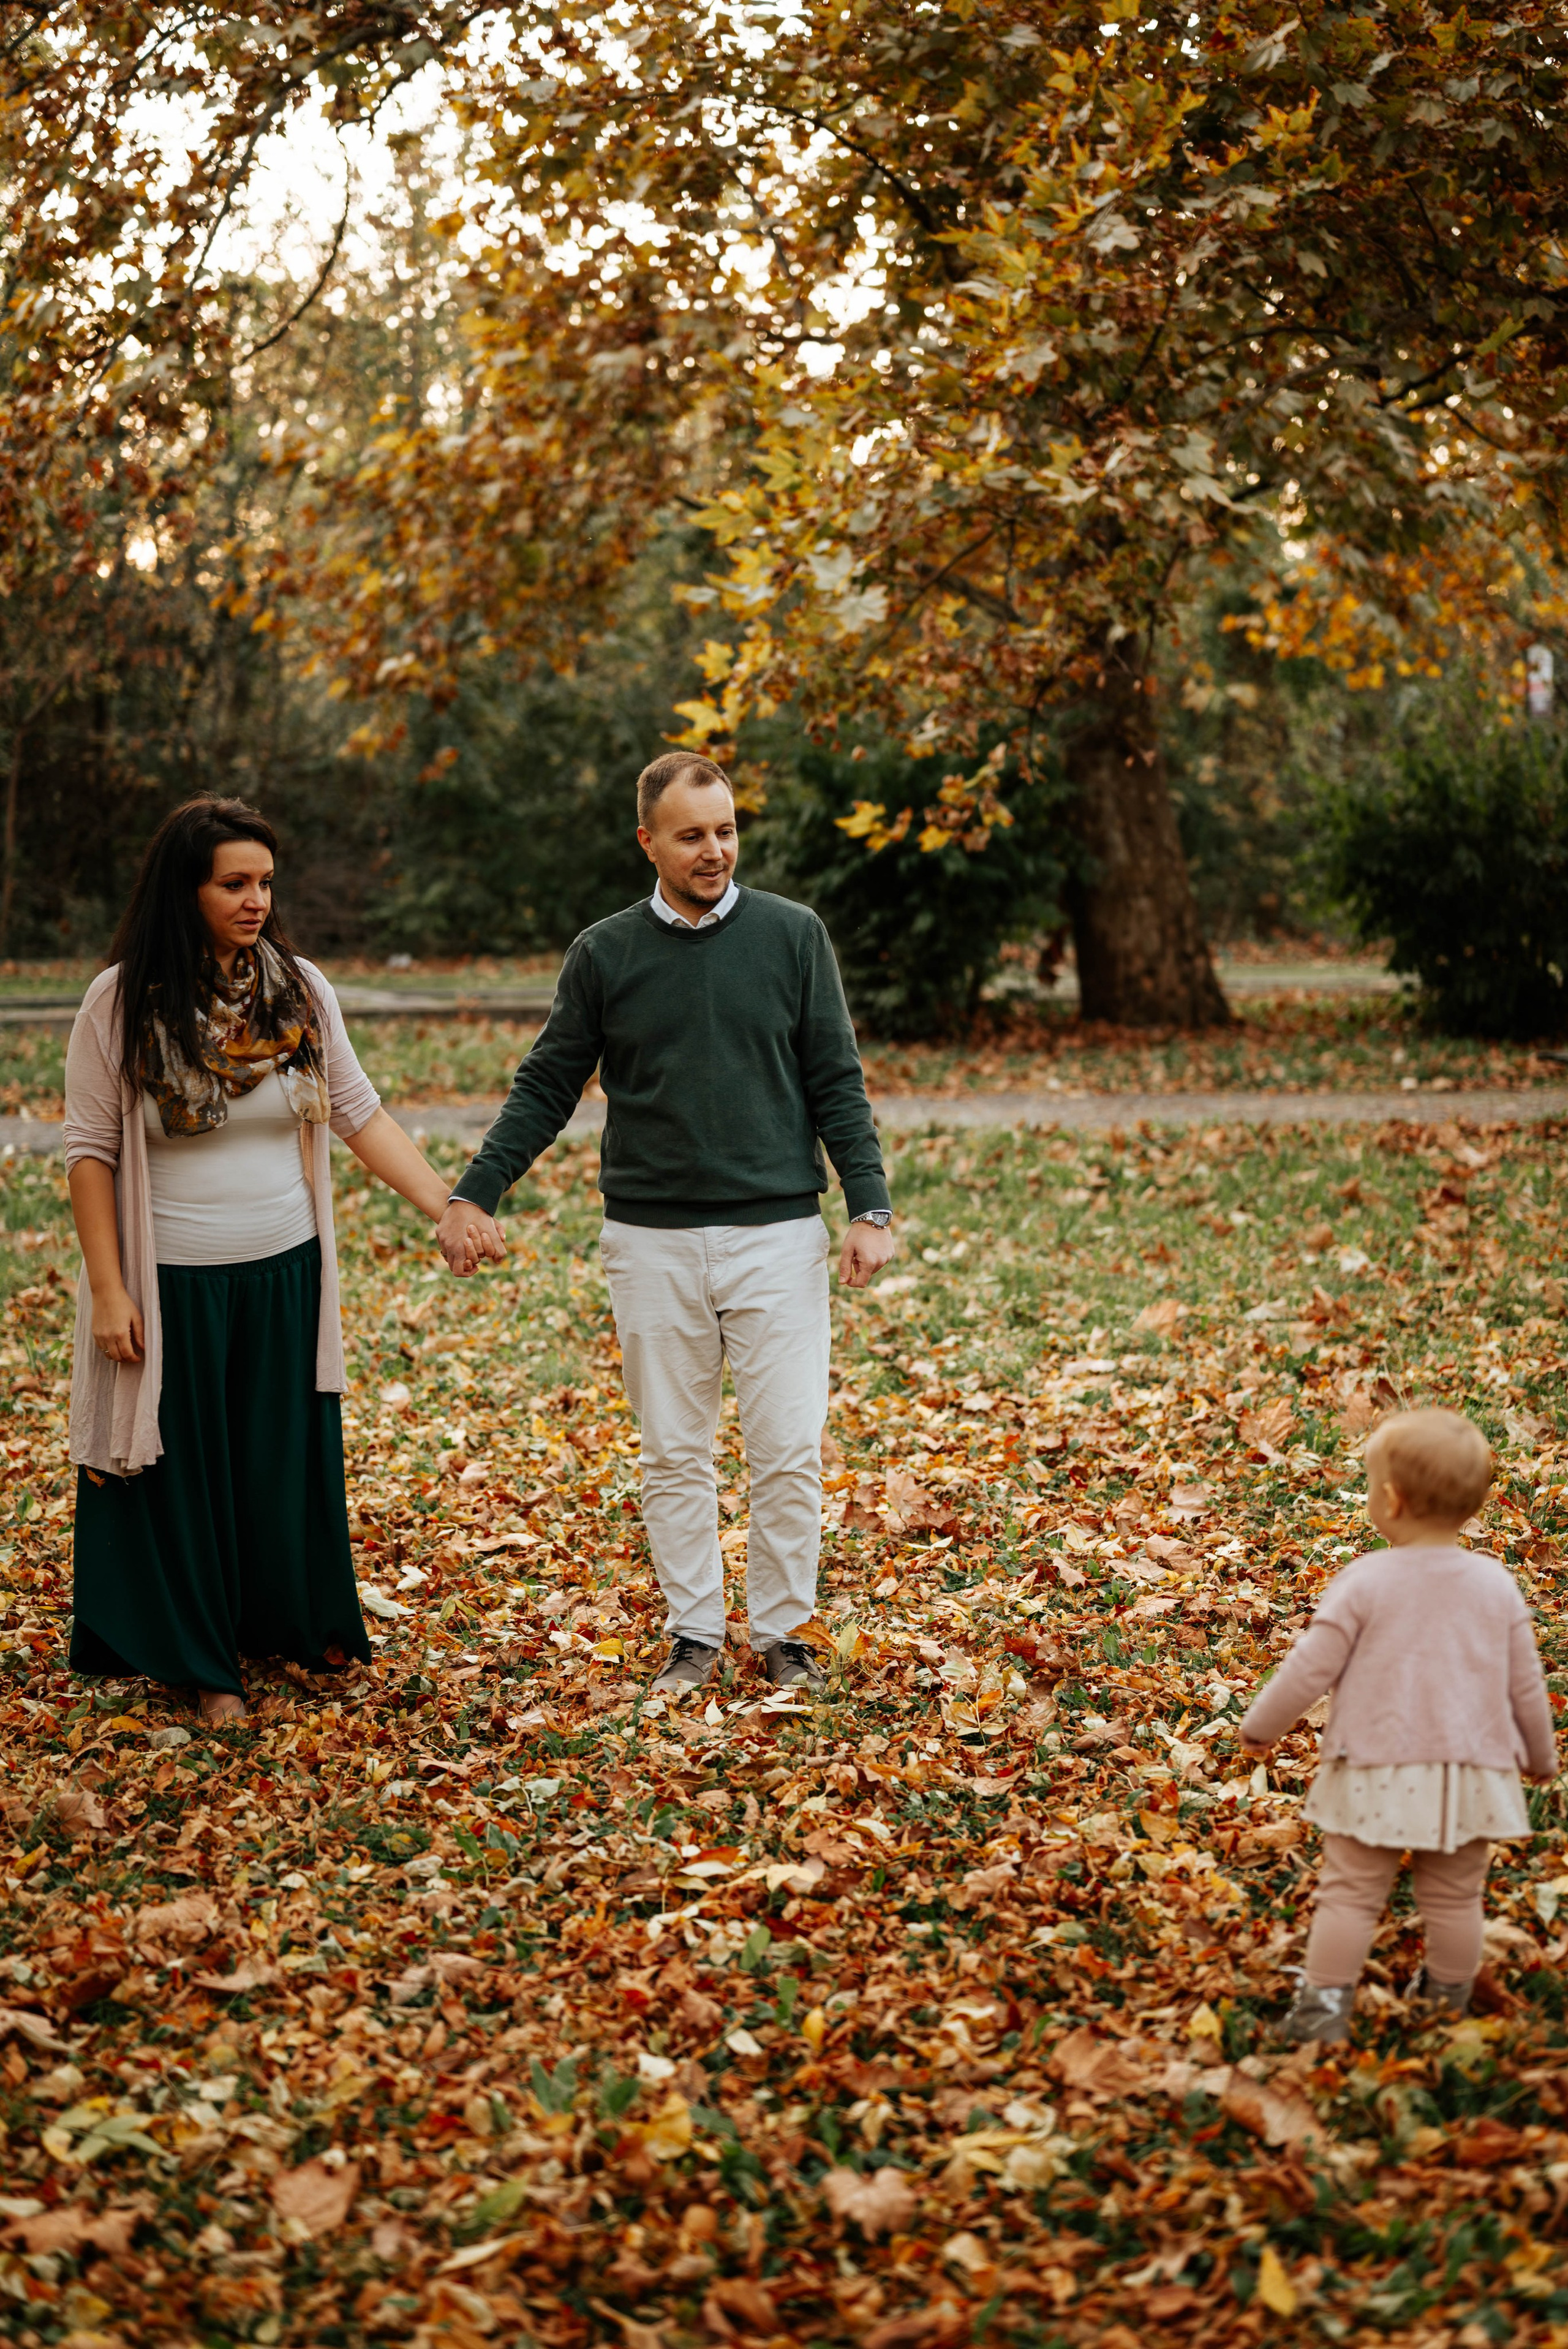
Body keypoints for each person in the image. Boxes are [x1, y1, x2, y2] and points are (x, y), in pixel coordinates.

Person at [437, 752, 895, 1694]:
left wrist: (869, 1203)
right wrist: (477, 1189)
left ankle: (784, 1634)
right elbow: (548, 1083)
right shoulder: (606, 952)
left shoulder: (793, 936)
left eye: (726, 829)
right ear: (648, 840)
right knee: (675, 1453)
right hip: (649, 1241)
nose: (714, 849)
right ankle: (695, 1631)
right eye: (692, 834)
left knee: (787, 1450)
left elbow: (834, 1077)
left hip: (777, 1236)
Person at [64, 796, 483, 1724]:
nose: (256, 900)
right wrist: (107, 1285)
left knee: (267, 1463)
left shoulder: (296, 990)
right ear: (188, 889)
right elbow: (89, 1151)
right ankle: (206, 1670)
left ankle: (276, 1628)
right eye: (234, 884)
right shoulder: (123, 1000)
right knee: (184, 1473)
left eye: (265, 883)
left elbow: (359, 1112)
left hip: (284, 1272)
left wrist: (445, 1206)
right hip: (172, 1281)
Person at [1238, 1406, 1556, 2040]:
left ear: (1390, 1498)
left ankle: (1321, 2016)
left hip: (1375, 1769)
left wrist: (1261, 1726)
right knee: (1455, 1899)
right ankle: (1446, 2001)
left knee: (1351, 1894)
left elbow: (1310, 1669)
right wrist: (1539, 1756)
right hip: (1472, 1769)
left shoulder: (1365, 1581)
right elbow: (1525, 1681)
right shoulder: (1494, 1585)